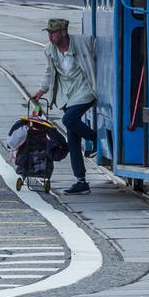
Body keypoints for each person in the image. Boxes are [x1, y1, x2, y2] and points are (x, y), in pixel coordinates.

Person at [31, 18, 97, 195]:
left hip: (84, 89)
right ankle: (81, 181)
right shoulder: (50, 50)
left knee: (69, 119)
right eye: (49, 33)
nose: (50, 36)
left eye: (53, 33)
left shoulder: (83, 43)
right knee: (72, 138)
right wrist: (42, 90)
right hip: (66, 94)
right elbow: (49, 71)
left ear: (63, 32)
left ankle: (95, 139)